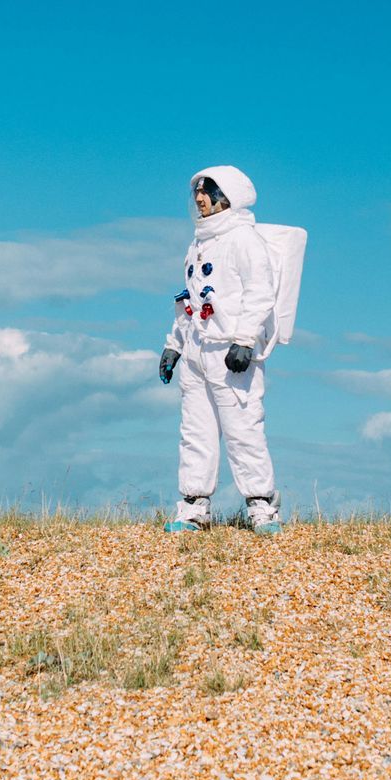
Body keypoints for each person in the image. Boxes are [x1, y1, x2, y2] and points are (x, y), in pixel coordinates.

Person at [159, 165, 282, 534]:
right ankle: (194, 507)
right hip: (197, 349)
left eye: (208, 190)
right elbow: (192, 300)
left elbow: (261, 293)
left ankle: (261, 506)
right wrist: (174, 344)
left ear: (228, 196)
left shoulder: (243, 239)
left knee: (243, 426)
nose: (199, 198)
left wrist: (244, 339)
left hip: (230, 350)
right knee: (195, 430)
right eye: (197, 191)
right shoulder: (198, 243)